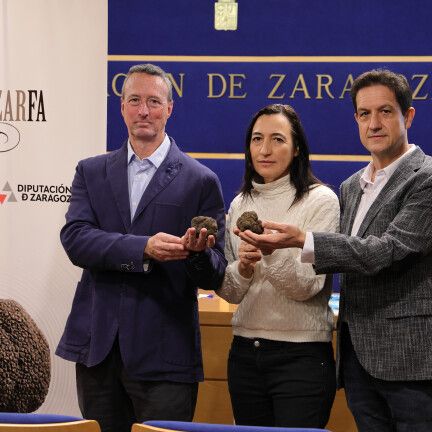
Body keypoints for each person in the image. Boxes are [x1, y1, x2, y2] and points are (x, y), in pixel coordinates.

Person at [236, 69, 432, 431]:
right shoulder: (351, 187)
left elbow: (386, 250)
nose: (374, 123)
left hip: (412, 364)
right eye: (364, 113)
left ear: (409, 116)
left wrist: (303, 240)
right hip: (357, 362)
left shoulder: (426, 178)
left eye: (385, 112)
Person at [56, 63, 227, 432]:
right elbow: (76, 240)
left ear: (169, 109)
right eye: (134, 100)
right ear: (122, 107)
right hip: (98, 350)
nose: (144, 110)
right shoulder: (91, 171)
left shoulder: (200, 180)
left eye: (153, 101)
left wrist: (196, 253)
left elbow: (216, 270)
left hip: (166, 354)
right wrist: (143, 248)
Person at [216, 104, 340, 428]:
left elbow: (305, 287)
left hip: (302, 358)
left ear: (297, 148)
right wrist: (242, 268)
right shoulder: (240, 203)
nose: (265, 149)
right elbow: (231, 293)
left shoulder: (321, 201)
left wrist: (267, 251)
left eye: (277, 139)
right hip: (244, 353)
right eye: (257, 139)